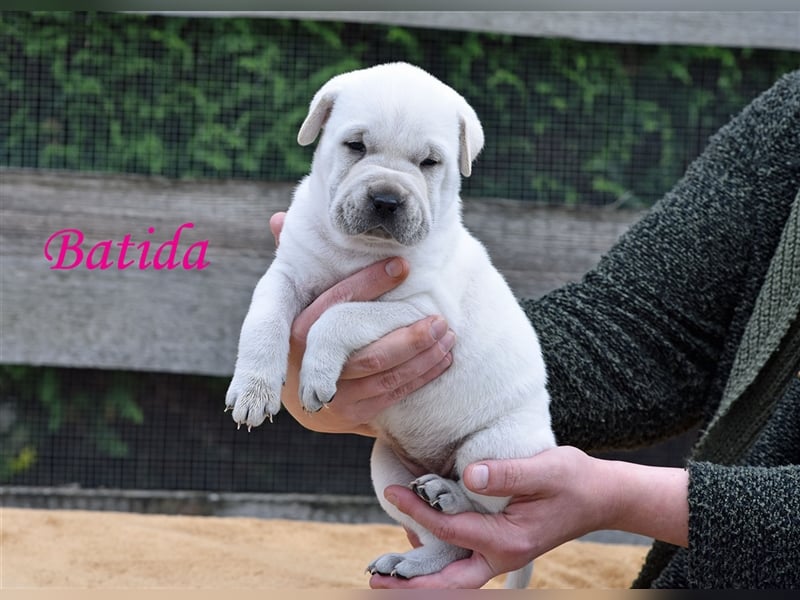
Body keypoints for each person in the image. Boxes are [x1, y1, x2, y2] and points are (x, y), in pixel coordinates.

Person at [273, 69, 800, 589]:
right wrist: (408, 366)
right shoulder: (789, 117)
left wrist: (620, 497)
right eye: (358, 147)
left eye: (427, 161)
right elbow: (643, 330)